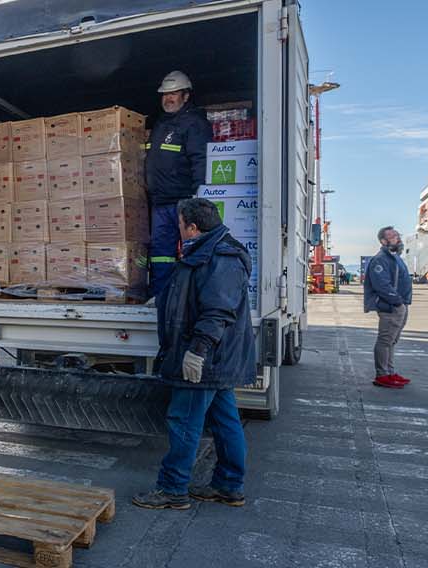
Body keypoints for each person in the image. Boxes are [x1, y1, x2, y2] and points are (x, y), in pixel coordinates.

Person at [133, 198, 254, 510]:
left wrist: (197, 352)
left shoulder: (221, 256)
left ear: (193, 227)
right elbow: (192, 295)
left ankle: (173, 489)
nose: (179, 231)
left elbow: (218, 311)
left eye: (180, 225)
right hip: (216, 359)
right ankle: (228, 486)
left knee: (184, 420)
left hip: (206, 358)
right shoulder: (207, 251)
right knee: (225, 420)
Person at [144, 70, 212, 297]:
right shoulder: (162, 124)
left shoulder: (193, 123)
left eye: (173, 94)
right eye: (165, 94)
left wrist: (199, 194)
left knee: (193, 251)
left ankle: (191, 298)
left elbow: (200, 158)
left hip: (184, 200)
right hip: (160, 201)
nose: (168, 98)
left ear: (185, 95)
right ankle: (160, 296)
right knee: (160, 253)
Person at [367, 227, 413, 389]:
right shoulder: (380, 259)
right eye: (393, 236)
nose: (397, 238)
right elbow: (382, 285)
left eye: (397, 235)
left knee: (392, 341)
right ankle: (382, 374)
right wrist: (397, 302)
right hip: (391, 306)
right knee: (385, 340)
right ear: (383, 241)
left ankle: (390, 371)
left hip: (400, 305)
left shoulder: (395, 258)